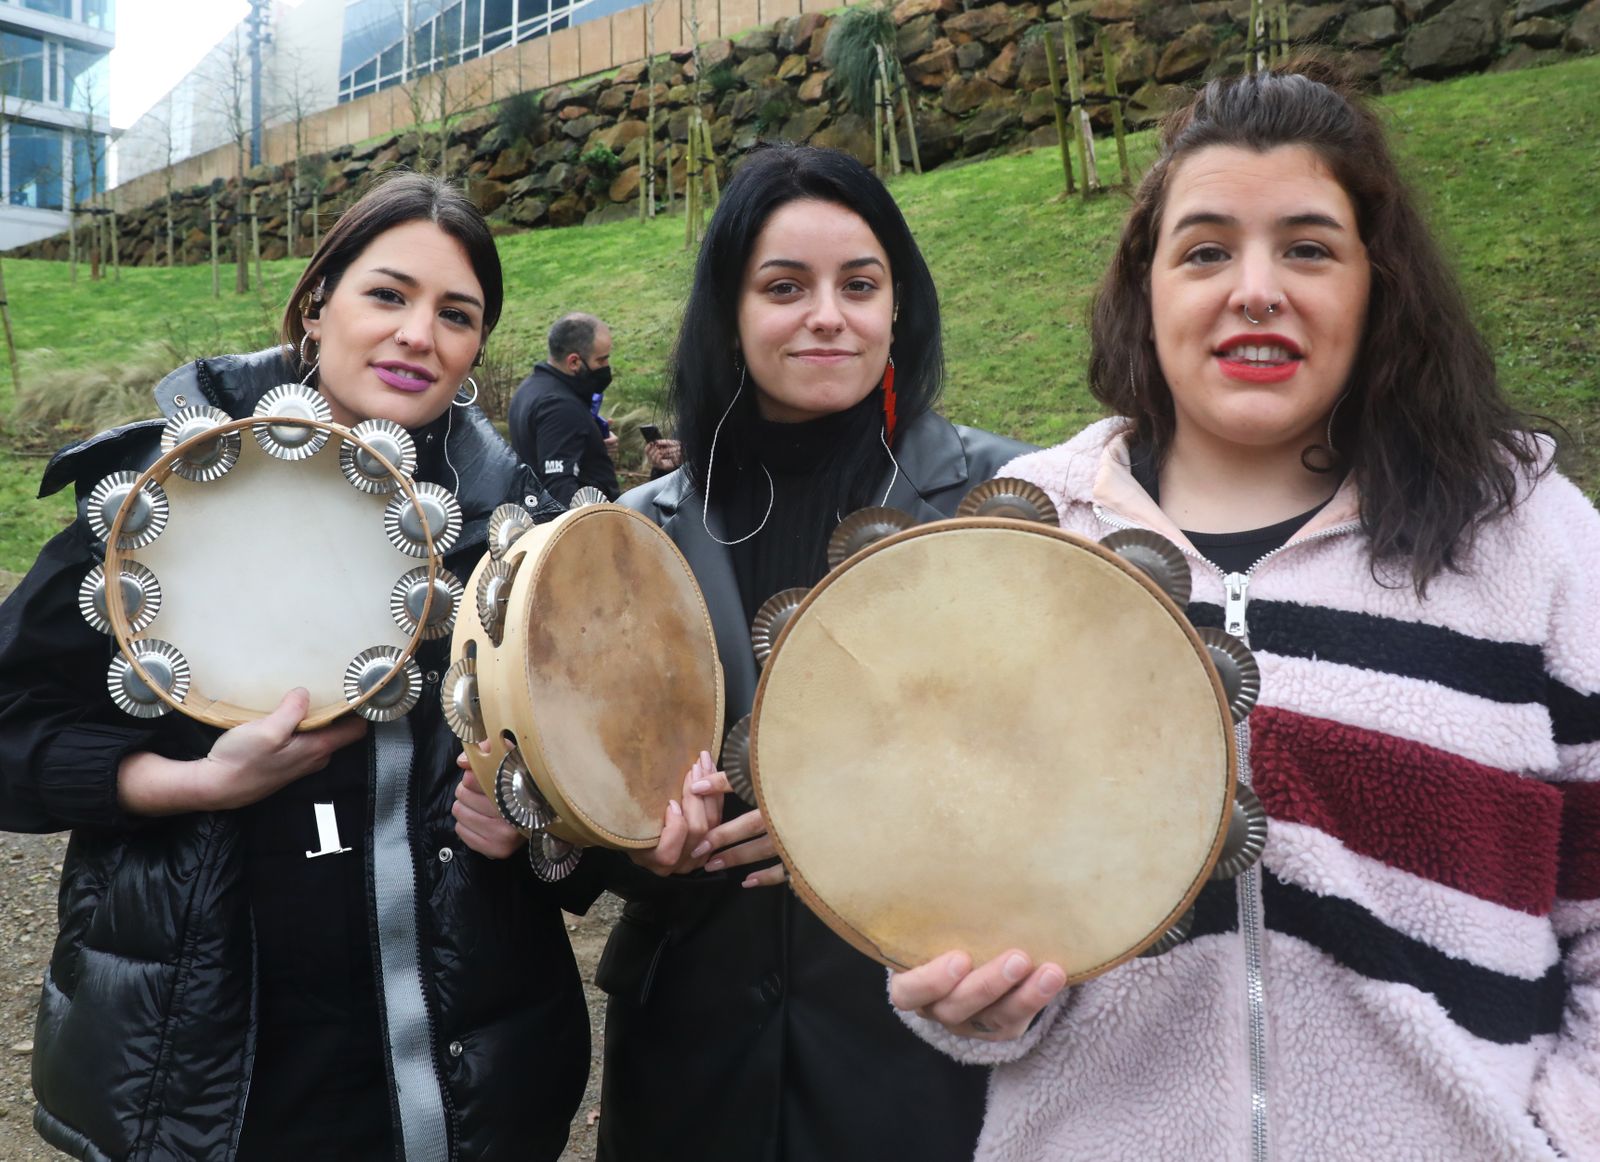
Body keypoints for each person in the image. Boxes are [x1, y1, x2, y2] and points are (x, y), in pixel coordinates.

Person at [888, 63, 1600, 1161]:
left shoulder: (1532, 541)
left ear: (1379, 283)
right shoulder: (1027, 542)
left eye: (1307, 247)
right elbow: (952, 872)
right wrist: (975, 1001)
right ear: (1148, 285)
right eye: (1206, 249)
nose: (1254, 288)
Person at [0, 173, 593, 1161]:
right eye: (388, 294)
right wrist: (185, 783)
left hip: (455, 1092)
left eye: (457, 314)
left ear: (478, 348)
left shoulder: (515, 545)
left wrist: (541, 828)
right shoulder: (163, 497)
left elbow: (591, 792)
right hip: (213, 1087)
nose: (419, 334)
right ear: (318, 305)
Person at [583, 143, 1034, 1162]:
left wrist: (858, 832)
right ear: (729, 313)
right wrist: (636, 839)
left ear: (899, 306)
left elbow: (1077, 776)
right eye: (784, 286)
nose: (827, 314)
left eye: (859, 284)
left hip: (916, 1057)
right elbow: (591, 784)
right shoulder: (632, 536)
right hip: (692, 1058)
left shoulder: (1004, 507)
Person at [509, 311, 622, 502]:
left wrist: (591, 445)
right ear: (574, 362)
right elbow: (559, 487)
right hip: (584, 525)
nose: (607, 365)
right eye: (601, 360)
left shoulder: (529, 388)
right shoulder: (560, 406)